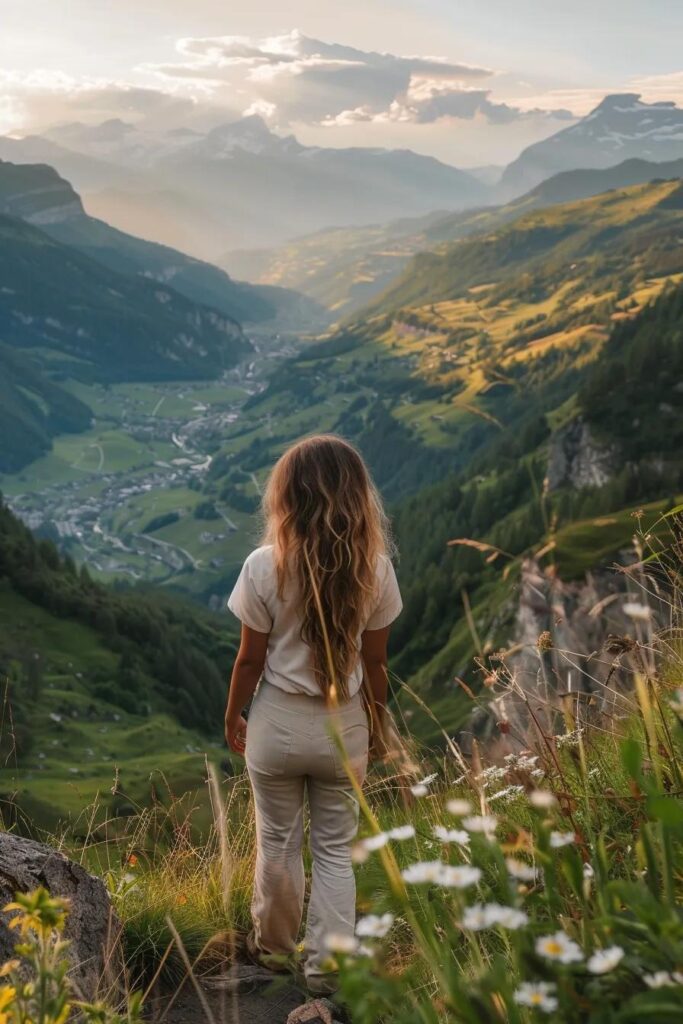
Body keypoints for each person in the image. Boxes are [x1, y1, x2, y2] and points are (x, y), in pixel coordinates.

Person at [225, 434, 402, 995]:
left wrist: (234, 714)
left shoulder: (263, 566)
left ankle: (273, 952)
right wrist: (378, 725)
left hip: (276, 723)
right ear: (356, 495)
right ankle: (327, 970)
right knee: (333, 851)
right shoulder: (375, 568)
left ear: (287, 496)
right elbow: (375, 664)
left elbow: (250, 658)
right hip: (343, 723)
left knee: (276, 841)